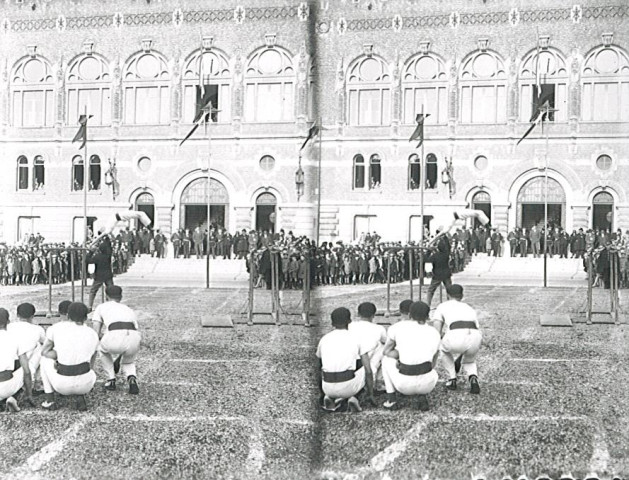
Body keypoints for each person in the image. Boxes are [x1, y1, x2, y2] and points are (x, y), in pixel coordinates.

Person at [381, 301, 440, 411]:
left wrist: (399, 357)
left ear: (409, 314)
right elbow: (433, 362)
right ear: (427, 316)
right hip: (428, 384)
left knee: (385, 360)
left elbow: (386, 352)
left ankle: (391, 399)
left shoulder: (397, 327)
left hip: (404, 385)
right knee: (425, 363)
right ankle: (422, 395)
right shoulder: (434, 332)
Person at [40, 302, 99, 411]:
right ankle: (80, 395)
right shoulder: (93, 333)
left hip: (62, 385)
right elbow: (92, 361)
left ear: (68, 315)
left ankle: (49, 400)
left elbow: (44, 352)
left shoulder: (56, 328)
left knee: (44, 360)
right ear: (86, 317)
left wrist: (58, 357)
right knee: (82, 361)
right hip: (86, 384)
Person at [316, 307, 374, 413]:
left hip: (327, 387)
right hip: (348, 387)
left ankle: (329, 398)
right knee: (369, 367)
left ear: (332, 323)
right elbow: (368, 371)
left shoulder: (324, 339)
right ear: (349, 321)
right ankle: (355, 398)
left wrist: (322, 391)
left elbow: (318, 367)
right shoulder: (357, 338)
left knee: (327, 368)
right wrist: (371, 394)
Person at [431, 284, 482, 394]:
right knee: (470, 360)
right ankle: (473, 378)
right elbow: (476, 326)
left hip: (455, 334)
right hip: (475, 336)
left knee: (443, 349)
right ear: (462, 296)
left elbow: (436, 331)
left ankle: (452, 378)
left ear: (447, 295)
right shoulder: (469, 308)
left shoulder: (442, 306)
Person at [92, 286, 141, 394]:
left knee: (101, 349)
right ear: (121, 297)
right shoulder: (128, 309)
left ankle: (111, 379)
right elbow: (134, 327)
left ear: (106, 296)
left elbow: (96, 331)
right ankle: (131, 378)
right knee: (129, 361)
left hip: (114, 335)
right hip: (134, 337)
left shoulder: (101, 307)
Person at [0, 308, 34, 412]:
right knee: (29, 367)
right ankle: (15, 397)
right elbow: (27, 371)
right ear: (8, 322)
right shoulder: (15, 338)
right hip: (6, 386)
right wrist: (29, 394)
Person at [348, 302, 386, 391]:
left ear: (358, 314)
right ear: (373, 315)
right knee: (383, 347)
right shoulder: (379, 328)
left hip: (350, 363)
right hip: (366, 363)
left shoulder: (350, 326)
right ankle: (378, 381)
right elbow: (386, 342)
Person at [7, 303, 45, 387]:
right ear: (32, 316)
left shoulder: (8, 327)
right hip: (25, 365)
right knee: (41, 347)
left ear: (17, 315)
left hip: (9, 365)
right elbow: (45, 343)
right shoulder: (38, 329)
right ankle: (37, 381)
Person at [425, 238, 453, 308]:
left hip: (437, 275)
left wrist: (429, 251)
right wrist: (446, 238)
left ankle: (428, 305)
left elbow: (426, 259)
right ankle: (451, 305)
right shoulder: (446, 255)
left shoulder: (435, 255)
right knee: (449, 290)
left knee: (430, 291)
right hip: (446, 274)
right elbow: (448, 247)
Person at [87, 240, 114, 311]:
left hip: (99, 276)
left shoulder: (97, 256)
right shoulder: (108, 256)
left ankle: (89, 306)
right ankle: (110, 305)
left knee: (93, 291)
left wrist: (90, 252)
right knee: (110, 291)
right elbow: (110, 246)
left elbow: (88, 260)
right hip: (108, 275)